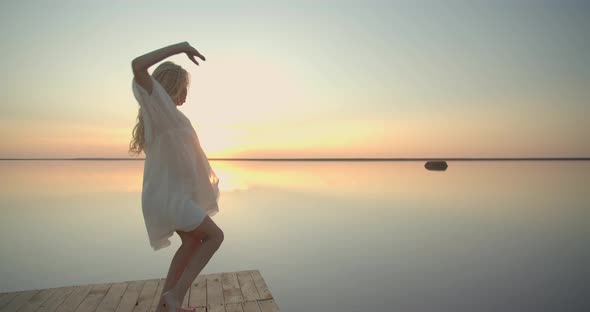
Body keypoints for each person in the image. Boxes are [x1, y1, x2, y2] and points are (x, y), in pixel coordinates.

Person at [129, 42, 225, 312]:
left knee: (194, 240)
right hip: (168, 197)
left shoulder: (170, 115)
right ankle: (176, 295)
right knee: (215, 237)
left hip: (173, 196)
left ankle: (165, 305)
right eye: (184, 88)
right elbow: (137, 65)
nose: (186, 95)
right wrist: (181, 47)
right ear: (170, 86)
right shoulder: (157, 106)